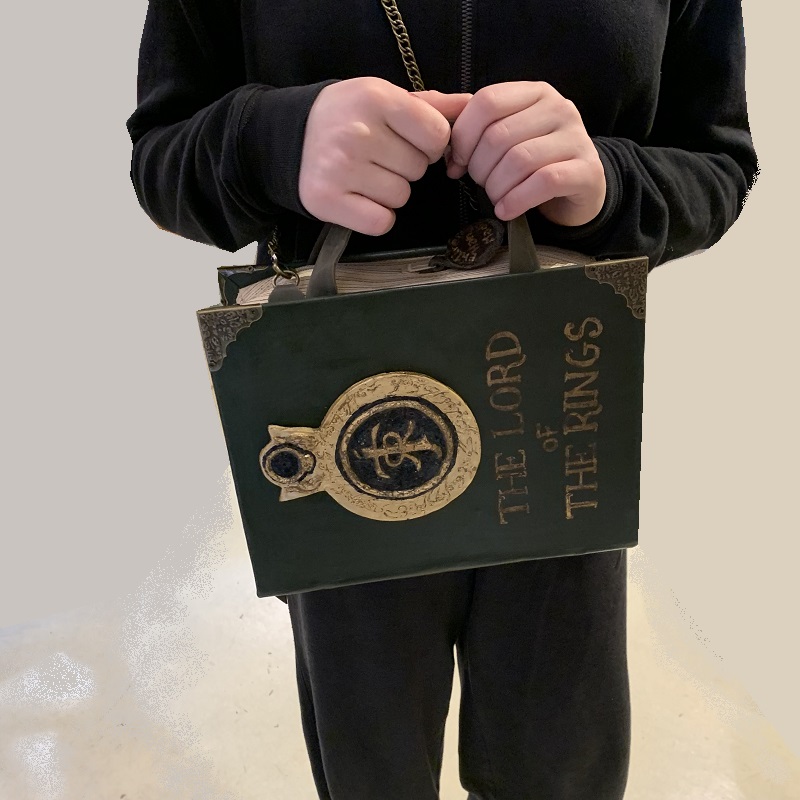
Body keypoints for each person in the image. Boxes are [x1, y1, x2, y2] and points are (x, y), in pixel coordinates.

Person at [127, 1, 758, 797]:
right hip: (339, 403)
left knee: (560, 761)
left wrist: (609, 182)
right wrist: (276, 139)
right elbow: (163, 155)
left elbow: (718, 161)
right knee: (371, 762)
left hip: (557, 412)